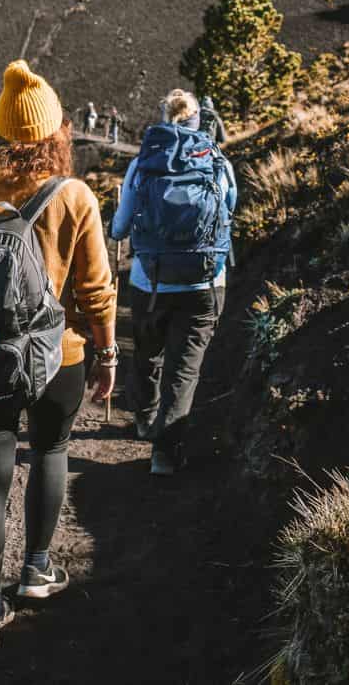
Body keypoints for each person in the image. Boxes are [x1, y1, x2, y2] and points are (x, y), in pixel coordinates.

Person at [0, 60, 117, 650]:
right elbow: (95, 289)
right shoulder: (74, 196)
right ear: (54, 132)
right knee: (50, 451)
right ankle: (37, 569)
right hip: (56, 356)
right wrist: (107, 352)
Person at [111, 88, 236, 476]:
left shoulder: (144, 164)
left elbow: (118, 228)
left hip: (150, 282)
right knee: (184, 369)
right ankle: (165, 454)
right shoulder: (217, 162)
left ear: (164, 119)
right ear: (201, 120)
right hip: (204, 283)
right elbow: (228, 214)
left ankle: (145, 422)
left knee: (148, 355)